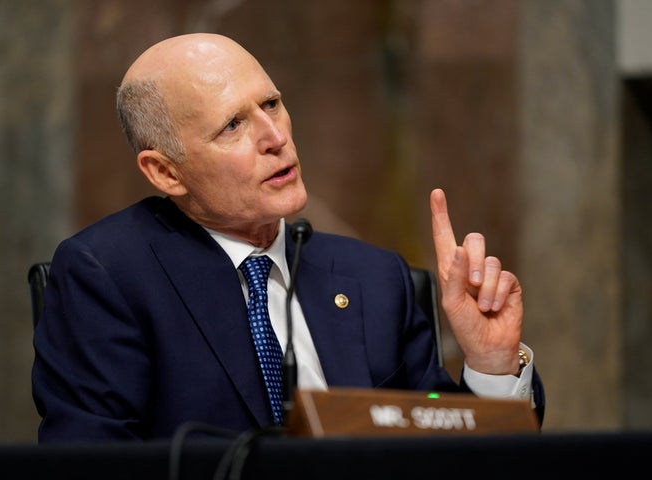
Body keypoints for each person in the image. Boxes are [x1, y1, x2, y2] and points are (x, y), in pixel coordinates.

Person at [32, 32, 544, 443]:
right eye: (233, 125)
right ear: (165, 172)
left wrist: (491, 363)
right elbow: (92, 465)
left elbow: (451, 452)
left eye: (272, 104)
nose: (275, 137)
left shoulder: (374, 278)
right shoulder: (109, 275)